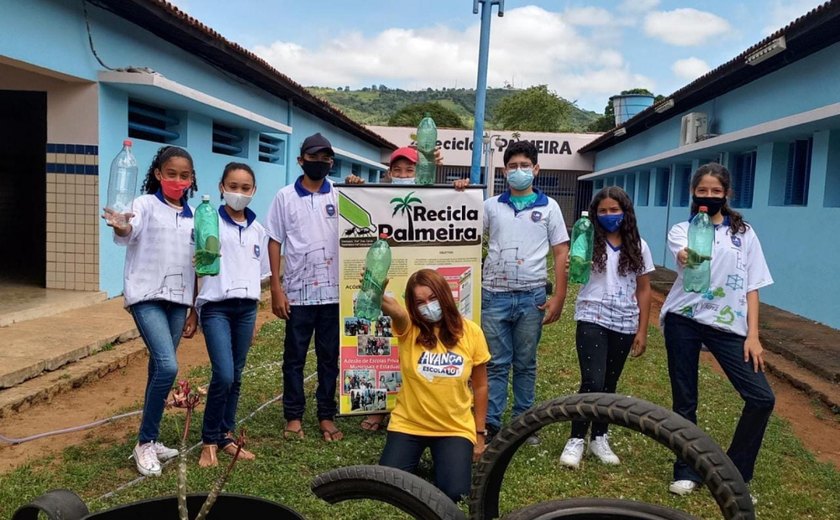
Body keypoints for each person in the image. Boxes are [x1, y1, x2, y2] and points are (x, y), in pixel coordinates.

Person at [660, 163, 774, 500]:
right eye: (702, 191)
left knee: (761, 398)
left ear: (726, 194)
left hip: (728, 324)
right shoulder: (683, 228)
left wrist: (753, 335)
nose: (708, 196)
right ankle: (686, 470)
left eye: (715, 191)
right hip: (685, 318)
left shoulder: (745, 233)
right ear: (693, 193)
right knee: (685, 399)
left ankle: (735, 476)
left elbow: (753, 286)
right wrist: (688, 251)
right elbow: (684, 256)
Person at [102, 145, 198, 477]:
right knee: (168, 366)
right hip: (146, 296)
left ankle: (152, 438)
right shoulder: (144, 204)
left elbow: (199, 263)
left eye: (184, 176)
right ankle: (143, 443)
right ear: (158, 174)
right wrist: (120, 226)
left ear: (191, 179)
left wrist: (194, 306)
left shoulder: (194, 215)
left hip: (178, 300)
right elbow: (130, 229)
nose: (177, 180)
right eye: (171, 173)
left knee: (158, 367)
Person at [359, 145, 467, 433]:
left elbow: (453, 201)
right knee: (385, 351)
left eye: (410, 170)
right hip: (393, 283)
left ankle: (423, 407)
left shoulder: (432, 194)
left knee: (422, 352)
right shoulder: (379, 198)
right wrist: (355, 187)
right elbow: (359, 205)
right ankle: (380, 408)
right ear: (389, 173)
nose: (404, 175)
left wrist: (460, 186)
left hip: (421, 286)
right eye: (398, 171)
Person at [559, 186, 653, 469]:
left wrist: (642, 330)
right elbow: (572, 270)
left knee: (609, 384)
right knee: (592, 381)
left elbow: (644, 290)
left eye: (614, 210)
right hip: (592, 316)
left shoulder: (639, 246)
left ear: (626, 213)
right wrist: (569, 268)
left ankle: (599, 436)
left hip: (624, 321)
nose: (609, 215)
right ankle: (576, 438)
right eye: (603, 211)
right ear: (594, 214)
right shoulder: (587, 240)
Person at [481, 140, 569, 445]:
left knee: (525, 362)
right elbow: (466, 234)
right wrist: (460, 194)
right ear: (505, 171)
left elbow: (561, 252)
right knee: (494, 362)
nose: (519, 171)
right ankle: (491, 423)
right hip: (493, 295)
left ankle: (523, 423)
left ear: (536, 169)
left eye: (524, 165)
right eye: (513, 166)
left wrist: (559, 295)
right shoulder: (491, 206)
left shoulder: (550, 207)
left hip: (532, 296)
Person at [266, 133, 351, 442]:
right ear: (301, 160)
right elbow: (274, 240)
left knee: (330, 358)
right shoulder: (284, 196)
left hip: (333, 293)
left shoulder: (342, 195)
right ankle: (293, 416)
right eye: (313, 157)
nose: (320, 163)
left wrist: (359, 188)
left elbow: (368, 219)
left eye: (326, 158)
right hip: (298, 293)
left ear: (331, 162)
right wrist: (276, 287)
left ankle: (326, 416)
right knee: (295, 358)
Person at [378, 269, 490, 503]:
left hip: (454, 427)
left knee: (456, 494)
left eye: (432, 298)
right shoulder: (409, 328)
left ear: (445, 295)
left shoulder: (471, 332)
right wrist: (379, 297)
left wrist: (479, 434)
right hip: (409, 424)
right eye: (419, 302)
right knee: (387, 487)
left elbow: (480, 386)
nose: (428, 306)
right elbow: (398, 314)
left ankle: (444, 460)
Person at [194, 162, 269, 467]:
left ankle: (226, 435)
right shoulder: (209, 223)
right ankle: (208, 440)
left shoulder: (258, 230)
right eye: (233, 187)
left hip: (246, 308)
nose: (238, 193)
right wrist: (191, 308)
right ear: (221, 188)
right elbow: (194, 266)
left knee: (236, 377)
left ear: (254, 191)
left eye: (245, 188)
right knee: (223, 374)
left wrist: (255, 318)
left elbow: (258, 273)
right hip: (216, 307)